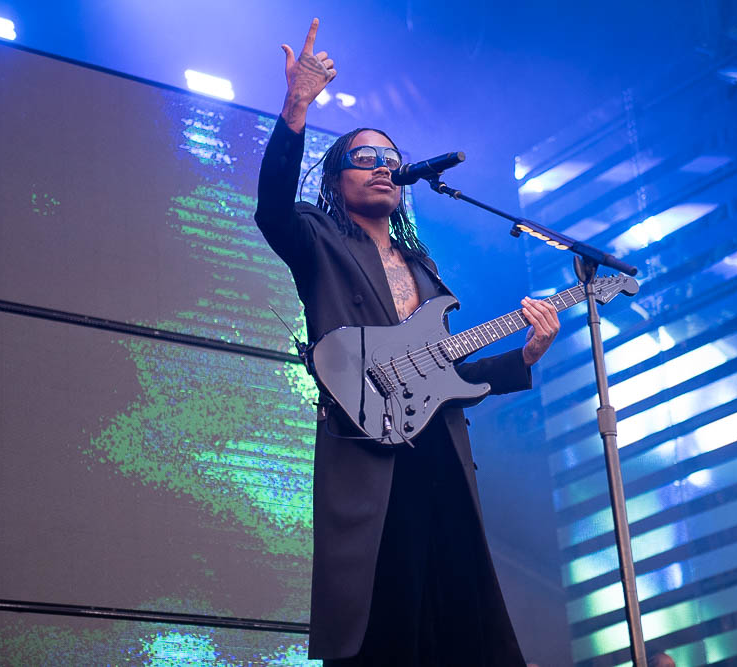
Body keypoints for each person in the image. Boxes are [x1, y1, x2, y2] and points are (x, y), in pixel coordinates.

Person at [255, 18, 561, 666]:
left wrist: (526, 355)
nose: (383, 167)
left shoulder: (425, 269)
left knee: (461, 620)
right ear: (336, 179)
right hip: (369, 451)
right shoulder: (317, 238)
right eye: (364, 158)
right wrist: (297, 105)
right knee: (384, 620)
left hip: (439, 449)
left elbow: (448, 372)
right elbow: (271, 208)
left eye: (390, 159)